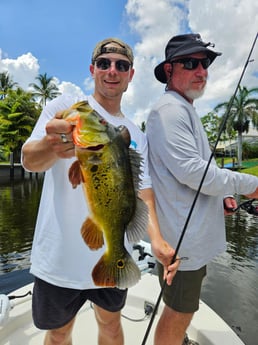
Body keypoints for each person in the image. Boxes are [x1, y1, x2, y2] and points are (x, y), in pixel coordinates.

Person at [21, 37, 179, 345]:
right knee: (58, 334)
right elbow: (29, 160)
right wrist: (50, 146)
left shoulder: (136, 134)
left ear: (130, 75)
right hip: (59, 259)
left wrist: (157, 241)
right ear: (93, 69)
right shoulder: (65, 108)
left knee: (110, 326)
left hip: (114, 252)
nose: (112, 71)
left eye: (121, 65)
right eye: (104, 63)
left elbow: (143, 191)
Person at [146, 33, 258, 345]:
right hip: (183, 244)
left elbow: (199, 162)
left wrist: (223, 195)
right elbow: (193, 172)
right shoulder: (168, 111)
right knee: (177, 312)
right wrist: (250, 185)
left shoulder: (185, 109)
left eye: (205, 62)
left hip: (192, 239)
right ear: (169, 70)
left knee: (182, 308)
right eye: (191, 62)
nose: (201, 70)